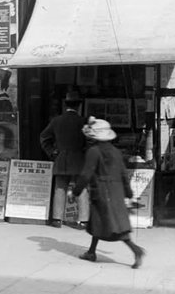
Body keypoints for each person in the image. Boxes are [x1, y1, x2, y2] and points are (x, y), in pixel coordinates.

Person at [71, 118, 145, 269]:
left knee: (111, 225)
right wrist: (129, 194)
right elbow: (124, 174)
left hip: (102, 192)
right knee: (98, 222)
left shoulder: (94, 151)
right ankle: (91, 252)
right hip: (116, 192)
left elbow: (86, 174)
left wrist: (76, 191)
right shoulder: (116, 152)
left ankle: (136, 250)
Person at [40, 90, 88, 227]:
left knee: (60, 188)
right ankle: (83, 220)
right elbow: (90, 140)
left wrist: (52, 152)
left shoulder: (56, 121)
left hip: (61, 158)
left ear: (65, 104)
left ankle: (57, 219)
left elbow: (44, 138)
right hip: (79, 158)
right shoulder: (83, 121)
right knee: (82, 189)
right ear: (79, 105)